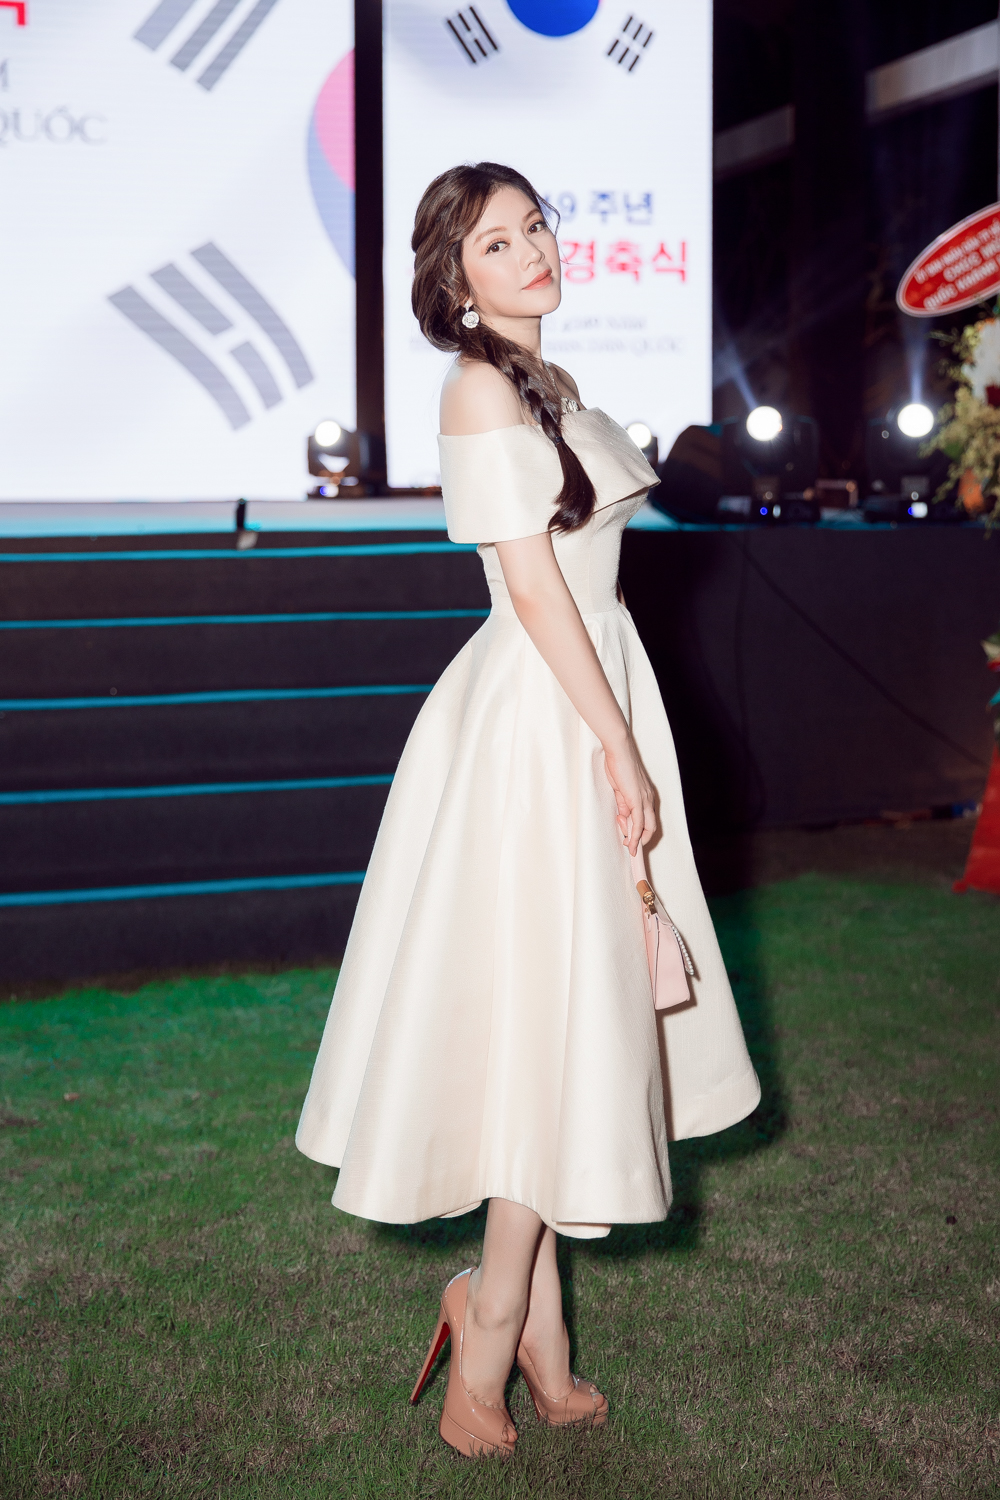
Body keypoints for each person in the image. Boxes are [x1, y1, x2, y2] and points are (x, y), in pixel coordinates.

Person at [296, 161, 760, 1459]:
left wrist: (618, 728)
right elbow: (535, 585)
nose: (534, 249)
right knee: (545, 1024)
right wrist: (616, 743)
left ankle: (535, 1339)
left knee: (563, 1026)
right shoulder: (478, 384)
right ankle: (490, 1332)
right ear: (454, 282)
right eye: (497, 242)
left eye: (536, 226)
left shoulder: (543, 380)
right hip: (544, 718)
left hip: (586, 693)